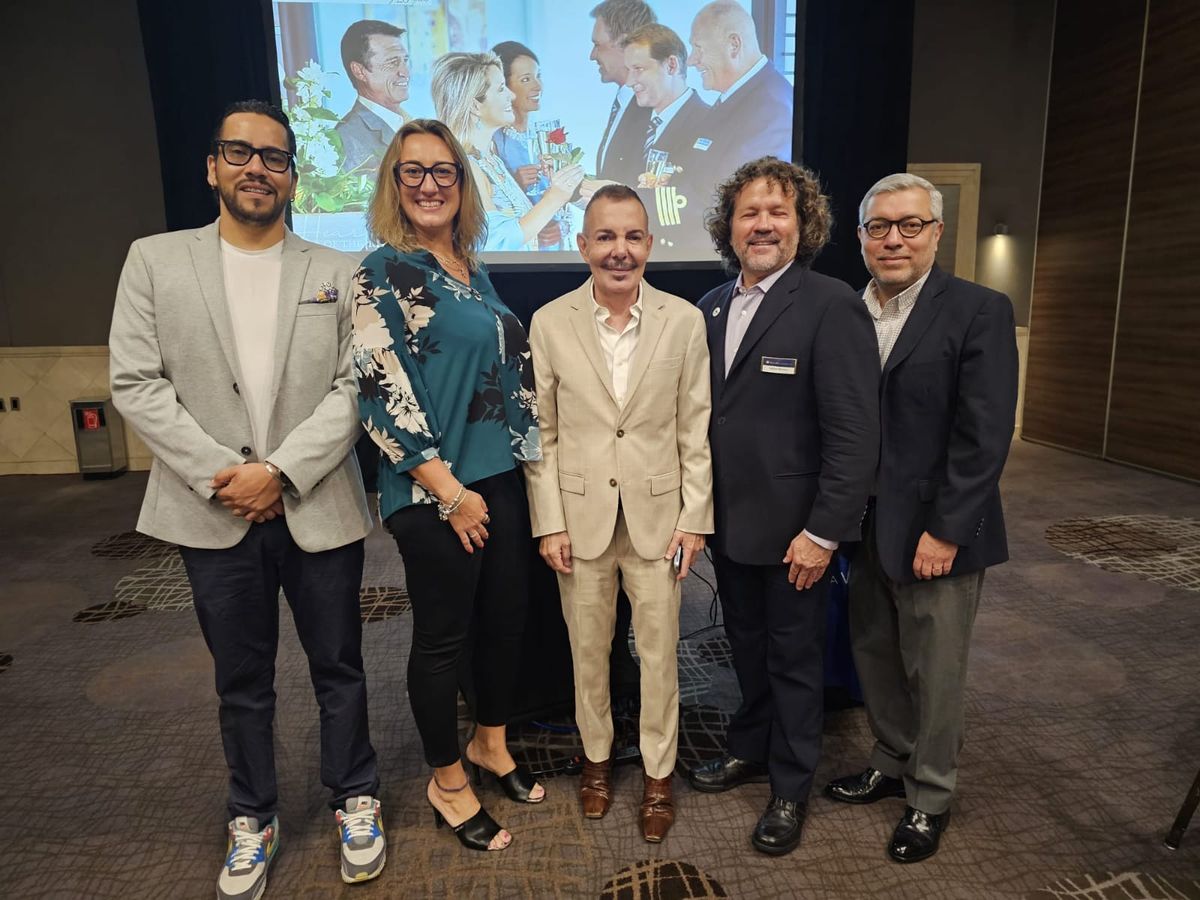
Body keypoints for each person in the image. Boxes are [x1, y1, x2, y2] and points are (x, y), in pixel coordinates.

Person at [109, 100, 385, 898]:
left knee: (341, 666)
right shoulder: (155, 261)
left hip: (317, 500)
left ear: (293, 175)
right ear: (212, 167)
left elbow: (355, 385)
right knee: (241, 679)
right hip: (212, 507)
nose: (256, 168)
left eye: (274, 156)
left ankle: (355, 796)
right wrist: (228, 475)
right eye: (239, 153)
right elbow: (136, 382)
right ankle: (252, 814)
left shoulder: (339, 270)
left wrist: (282, 471)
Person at [352, 118, 543, 853]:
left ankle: (490, 743)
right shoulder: (381, 271)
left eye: (444, 171)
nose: (429, 184)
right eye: (414, 171)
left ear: (463, 183)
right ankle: (448, 781)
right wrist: (449, 492)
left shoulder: (469, 266)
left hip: (497, 478)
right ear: (393, 183)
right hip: (435, 490)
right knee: (442, 639)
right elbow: (381, 392)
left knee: (506, 621)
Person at [823, 173, 1018, 863]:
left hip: (936, 529)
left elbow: (984, 435)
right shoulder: (846, 311)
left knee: (934, 669)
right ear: (860, 237)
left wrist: (947, 529)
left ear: (936, 231)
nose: (894, 239)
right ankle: (890, 757)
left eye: (910, 225)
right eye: (879, 226)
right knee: (875, 652)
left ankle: (930, 795)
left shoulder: (977, 310)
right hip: (863, 524)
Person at [687, 158, 879, 856]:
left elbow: (855, 434)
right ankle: (751, 746)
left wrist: (824, 533)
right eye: (749, 213)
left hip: (798, 533)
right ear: (729, 227)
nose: (763, 225)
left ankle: (791, 786)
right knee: (745, 648)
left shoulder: (831, 304)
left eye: (778, 212)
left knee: (795, 661)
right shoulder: (709, 307)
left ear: (804, 225)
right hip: (730, 526)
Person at [525, 184, 713, 843]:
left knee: (660, 657)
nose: (619, 250)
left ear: (650, 244)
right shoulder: (550, 322)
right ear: (583, 245)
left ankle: (659, 775)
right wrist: (549, 521)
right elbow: (542, 435)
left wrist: (695, 517)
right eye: (605, 237)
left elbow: (694, 427)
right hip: (580, 522)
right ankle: (597, 762)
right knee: (588, 653)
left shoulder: (683, 321)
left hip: (660, 522)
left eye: (632, 236)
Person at [432, 51, 583, 252]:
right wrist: (555, 197)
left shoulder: (491, 160)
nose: (511, 96)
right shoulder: (466, 167)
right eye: (501, 89)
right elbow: (497, 242)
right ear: (475, 106)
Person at [687, 1, 793, 173]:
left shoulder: (772, 108)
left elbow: (747, 185)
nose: (691, 60)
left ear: (734, 45)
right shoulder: (740, 96)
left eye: (698, 48)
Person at [490, 41, 569, 249]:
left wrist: (562, 227)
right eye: (526, 79)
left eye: (538, 76)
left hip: (557, 252)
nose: (538, 86)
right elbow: (487, 216)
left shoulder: (549, 135)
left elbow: (567, 199)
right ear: (504, 87)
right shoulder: (493, 142)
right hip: (521, 253)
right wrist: (515, 183)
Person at [586, 0, 657, 187]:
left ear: (625, 44)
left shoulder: (654, 109)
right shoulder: (625, 100)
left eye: (597, 45)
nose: (592, 55)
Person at [335, 20, 411, 174]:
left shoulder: (409, 122)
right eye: (393, 62)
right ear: (359, 71)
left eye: (405, 61)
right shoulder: (346, 138)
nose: (405, 72)